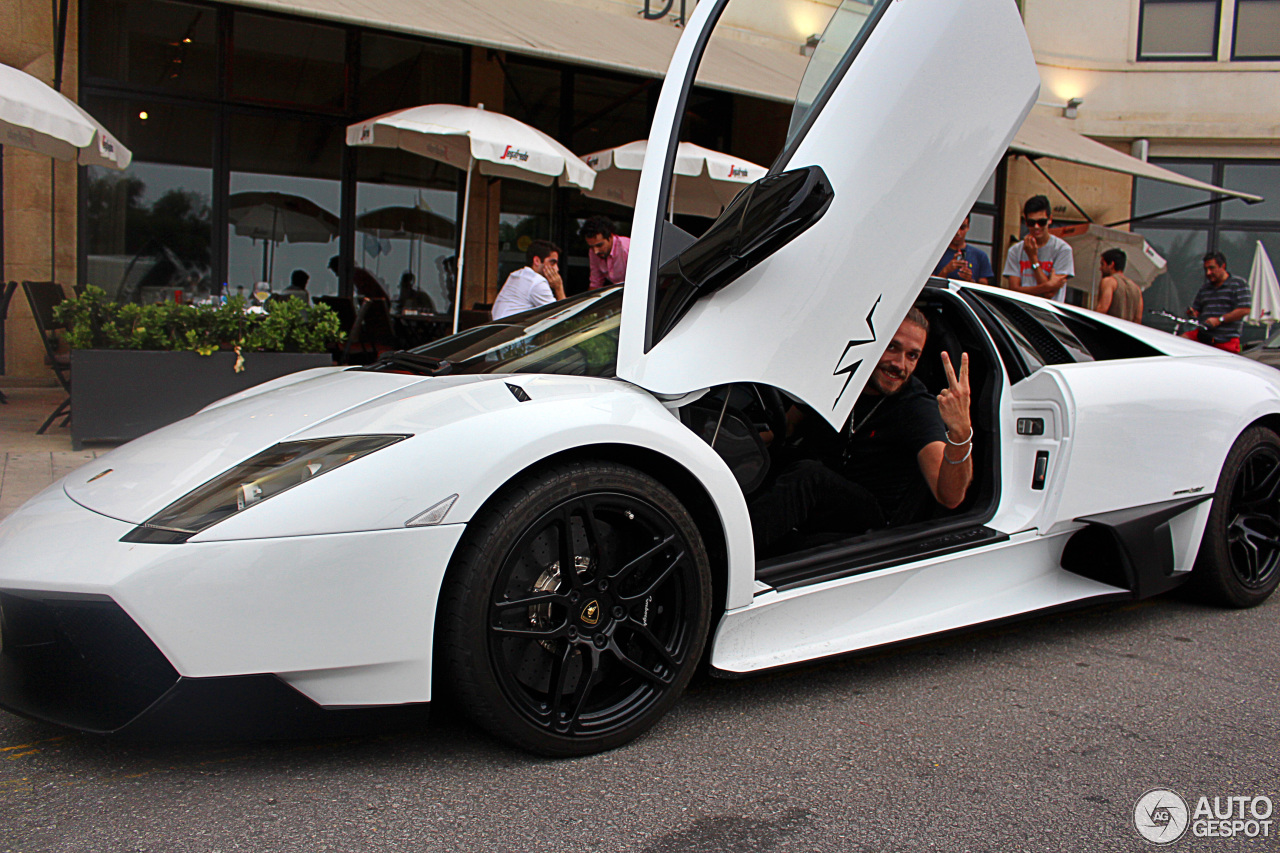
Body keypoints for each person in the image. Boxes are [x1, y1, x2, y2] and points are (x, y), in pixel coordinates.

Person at [748, 309, 973, 551]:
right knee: (780, 459)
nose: (899, 364)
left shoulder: (916, 406)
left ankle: (727, 555)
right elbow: (786, 428)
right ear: (872, 344)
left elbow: (949, 496)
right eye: (892, 348)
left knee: (809, 475)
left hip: (869, 520)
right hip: (822, 502)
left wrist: (960, 433)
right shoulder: (841, 379)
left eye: (912, 356)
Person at [1003, 195, 1074, 302]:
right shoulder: (1015, 250)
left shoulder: (1062, 250)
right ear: (1026, 222)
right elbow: (1013, 290)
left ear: (1050, 220)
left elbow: (1049, 293)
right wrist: (1049, 285)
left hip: (1048, 313)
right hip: (1022, 310)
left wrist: (1033, 259)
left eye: (1041, 222)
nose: (1036, 226)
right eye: (1031, 222)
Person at [1188, 251, 1251, 353]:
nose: (1208, 273)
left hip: (1225, 340)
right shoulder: (1205, 288)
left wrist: (1219, 320)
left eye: (1212, 268)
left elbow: (1244, 310)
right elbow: (1197, 310)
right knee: (1179, 341)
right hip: (1203, 337)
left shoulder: (1238, 284)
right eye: (1206, 269)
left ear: (1223, 266)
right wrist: (1193, 313)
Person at [491, 240, 565, 320]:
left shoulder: (518, 275)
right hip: (510, 330)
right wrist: (559, 287)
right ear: (537, 261)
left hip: (500, 328)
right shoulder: (537, 282)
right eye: (552, 263)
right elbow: (559, 318)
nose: (556, 269)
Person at [933, 213, 993, 284]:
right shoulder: (935, 254)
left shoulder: (980, 256)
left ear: (968, 227)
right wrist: (945, 271)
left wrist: (970, 280)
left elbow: (983, 288)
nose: (958, 233)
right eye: (955, 228)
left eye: (962, 228)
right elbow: (927, 286)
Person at [1093, 248, 1142, 323]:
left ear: (1111, 264)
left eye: (1102, 264)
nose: (1100, 268)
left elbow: (1102, 309)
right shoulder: (1137, 288)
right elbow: (1138, 318)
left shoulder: (1109, 282)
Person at [581, 216, 629, 289]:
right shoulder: (593, 252)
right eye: (591, 247)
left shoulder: (626, 249)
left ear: (610, 236)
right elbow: (595, 284)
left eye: (599, 245)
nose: (596, 251)